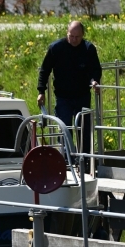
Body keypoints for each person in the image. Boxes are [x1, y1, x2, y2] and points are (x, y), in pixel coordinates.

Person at [37, 20, 101, 152]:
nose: (74, 39)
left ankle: (85, 159)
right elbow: (45, 70)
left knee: (83, 129)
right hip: (63, 97)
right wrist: (41, 91)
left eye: (77, 37)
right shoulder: (56, 48)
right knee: (64, 129)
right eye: (71, 36)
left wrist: (95, 81)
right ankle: (67, 159)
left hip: (82, 96)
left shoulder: (88, 49)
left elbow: (96, 69)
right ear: (67, 33)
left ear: (82, 35)